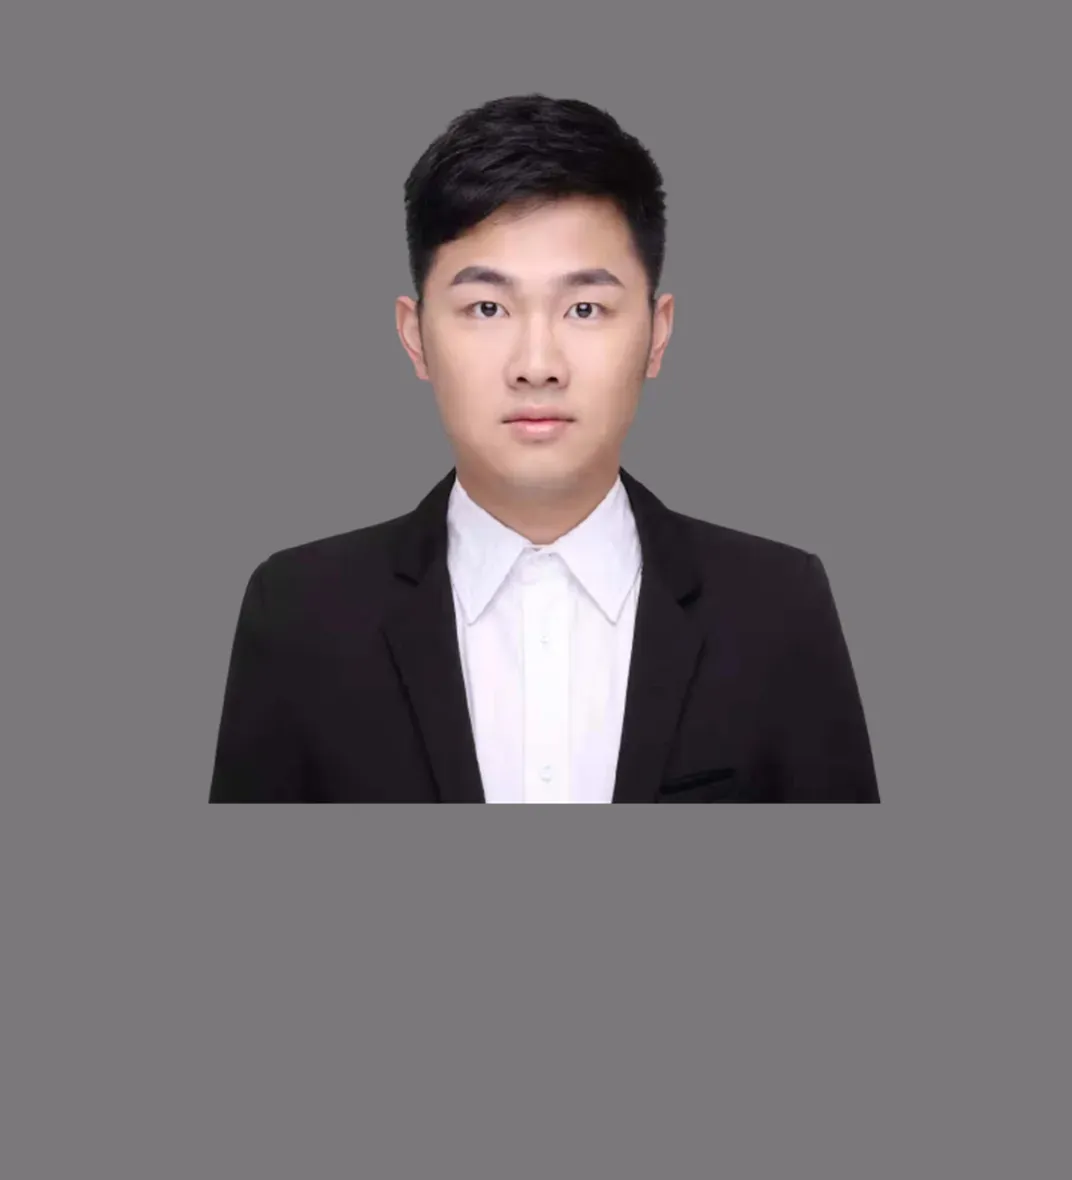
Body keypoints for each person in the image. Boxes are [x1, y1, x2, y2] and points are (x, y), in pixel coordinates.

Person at [209, 93, 880, 802]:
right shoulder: (299, 615)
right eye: (487, 308)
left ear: (657, 333)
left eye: (584, 308)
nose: (537, 365)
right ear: (415, 336)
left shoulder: (778, 609)